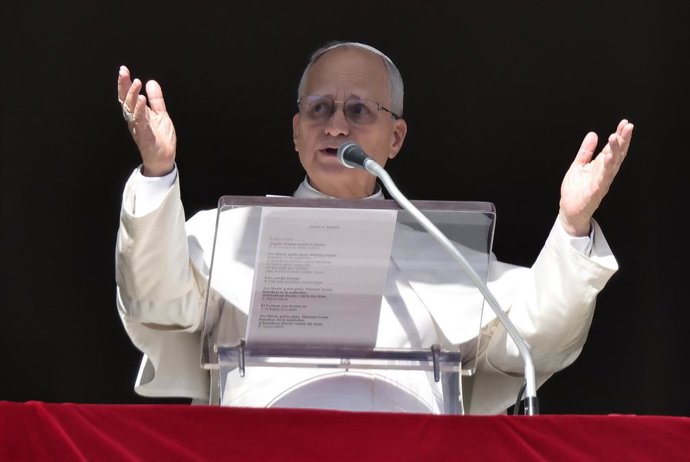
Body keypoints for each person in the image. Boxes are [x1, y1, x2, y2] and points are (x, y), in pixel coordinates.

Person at [115, 41, 633, 414]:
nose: (336, 126)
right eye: (319, 108)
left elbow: (533, 343)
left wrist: (572, 223)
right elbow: (158, 305)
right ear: (296, 133)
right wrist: (158, 174)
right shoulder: (231, 233)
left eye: (359, 110)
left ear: (396, 138)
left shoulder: (442, 256)